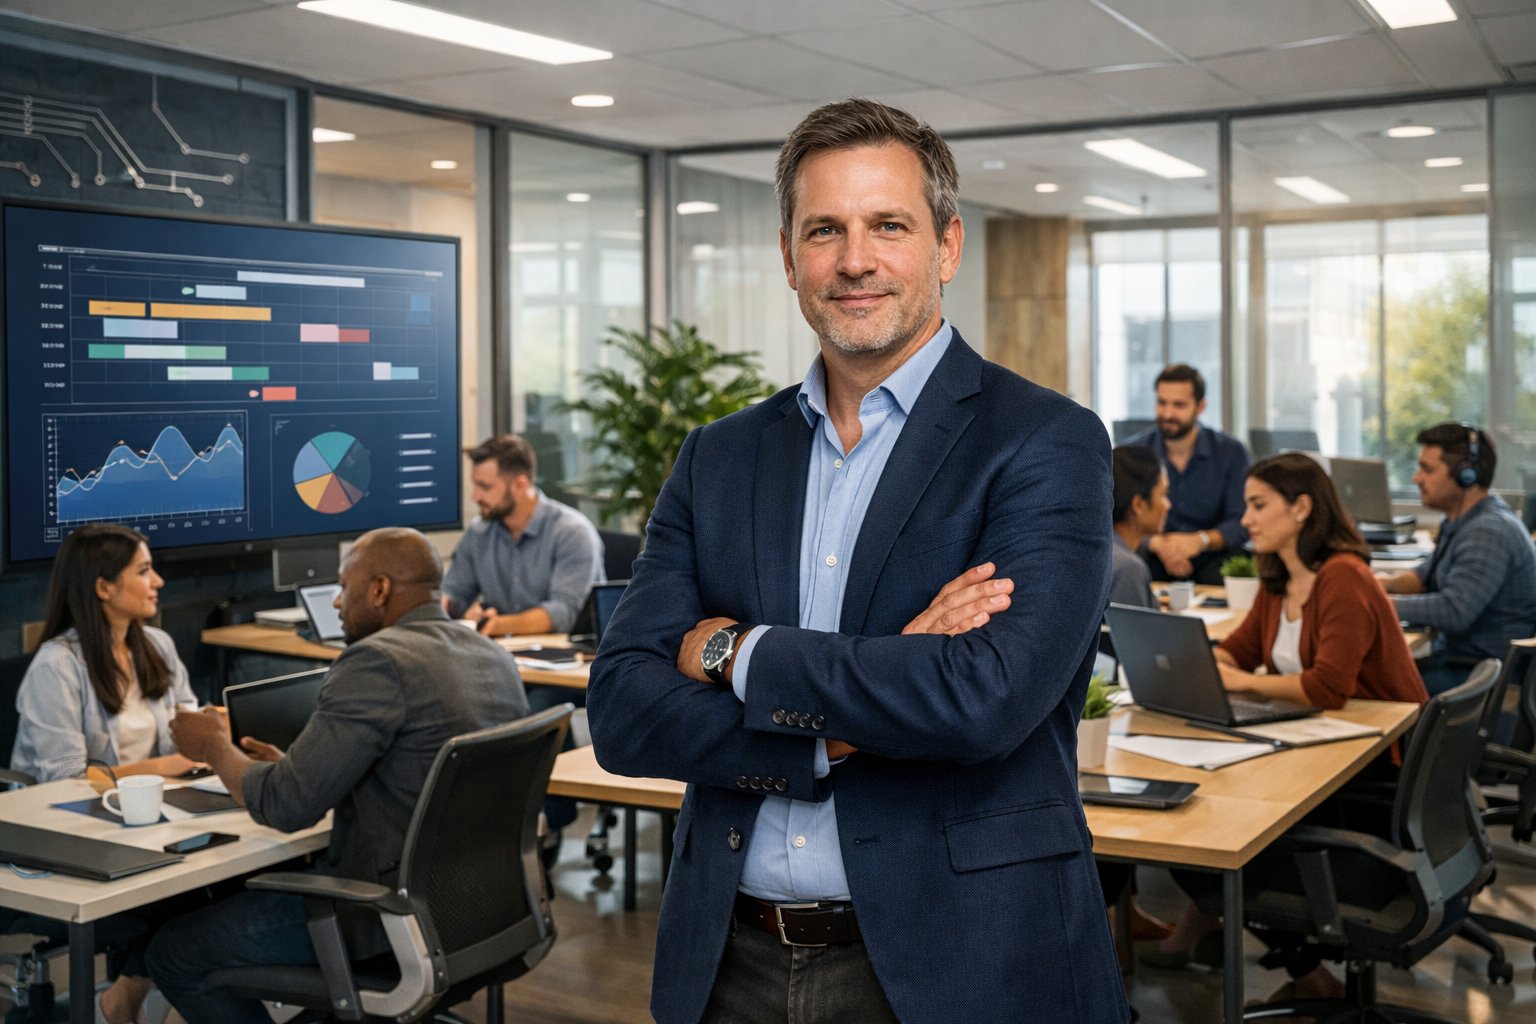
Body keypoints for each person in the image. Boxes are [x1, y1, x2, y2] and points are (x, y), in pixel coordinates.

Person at [587, 99, 1127, 1024]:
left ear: (947, 247)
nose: (855, 259)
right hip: (728, 961)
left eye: (889, 225)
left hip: (962, 961)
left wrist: (733, 653)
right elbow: (625, 713)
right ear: (790, 256)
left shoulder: (1046, 442)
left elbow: (981, 699)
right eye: (825, 229)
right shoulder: (718, 456)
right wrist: (853, 714)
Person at [145, 527, 529, 1024]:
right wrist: (296, 766)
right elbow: (407, 768)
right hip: (482, 910)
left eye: (344, 588)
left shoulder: (376, 661)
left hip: (385, 920)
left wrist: (215, 747)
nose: (335, 605)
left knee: (174, 953)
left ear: (379, 590)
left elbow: (286, 808)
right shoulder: (492, 656)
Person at [1141, 453, 1428, 999]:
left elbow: (1327, 687)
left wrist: (1239, 683)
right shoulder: (1279, 579)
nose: (1244, 519)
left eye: (1257, 505)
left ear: (1301, 508)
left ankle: (1305, 978)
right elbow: (1236, 651)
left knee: (1216, 845)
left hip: (1376, 783)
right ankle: (1298, 972)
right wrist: (1222, 668)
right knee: (1201, 819)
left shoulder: (1344, 577)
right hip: (1319, 749)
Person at [10, 523, 202, 1024]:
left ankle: (138, 1005)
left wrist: (212, 734)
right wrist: (170, 764)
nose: (157, 580)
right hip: (66, 838)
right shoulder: (58, 666)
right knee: (184, 897)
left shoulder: (157, 645)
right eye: (143, 570)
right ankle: (123, 1004)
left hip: (153, 824)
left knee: (215, 886)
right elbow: (69, 777)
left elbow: (190, 731)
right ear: (103, 587)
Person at [1379, 422, 1536, 694]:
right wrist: (1380, 583)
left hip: (1483, 680)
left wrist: (1378, 604)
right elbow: (1423, 576)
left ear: (1466, 476)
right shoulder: (1465, 519)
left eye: (1427, 469)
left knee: (1371, 688)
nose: (1416, 478)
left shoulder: (1487, 531)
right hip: (1461, 664)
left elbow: (1454, 611)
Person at [440, 433, 603, 637]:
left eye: (485, 487)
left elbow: (565, 613)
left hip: (565, 659)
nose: (475, 496)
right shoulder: (479, 532)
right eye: (475, 484)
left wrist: (499, 625)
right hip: (501, 655)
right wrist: (457, 609)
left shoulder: (572, 533)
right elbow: (454, 593)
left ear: (520, 485)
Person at [1123, 364, 1249, 585]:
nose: (1168, 413)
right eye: (1162, 403)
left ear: (1200, 406)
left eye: (1179, 405)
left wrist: (1199, 541)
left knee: (1234, 566)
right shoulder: (1134, 453)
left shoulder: (1231, 453)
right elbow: (1118, 520)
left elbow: (1241, 522)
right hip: (1152, 555)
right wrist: (1157, 543)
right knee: (1127, 567)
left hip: (1211, 557)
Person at [1109, 444, 1170, 609]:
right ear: (1138, 505)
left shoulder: (1098, 550)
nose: (1168, 505)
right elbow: (1136, 635)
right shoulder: (1128, 568)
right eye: (1163, 495)